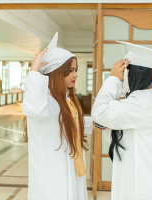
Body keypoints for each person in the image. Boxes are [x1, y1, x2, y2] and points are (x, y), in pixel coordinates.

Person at [91, 41, 152, 200]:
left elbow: (99, 112)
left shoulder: (141, 100)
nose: (124, 76)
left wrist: (113, 79)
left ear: (135, 73)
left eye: (126, 71)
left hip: (144, 178)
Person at [22, 32, 93, 200]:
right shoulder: (44, 101)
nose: (75, 75)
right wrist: (34, 71)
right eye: (70, 71)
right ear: (55, 73)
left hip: (69, 164)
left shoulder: (64, 99)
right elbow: (35, 110)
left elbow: (72, 120)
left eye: (75, 70)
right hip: (52, 171)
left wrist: (96, 121)